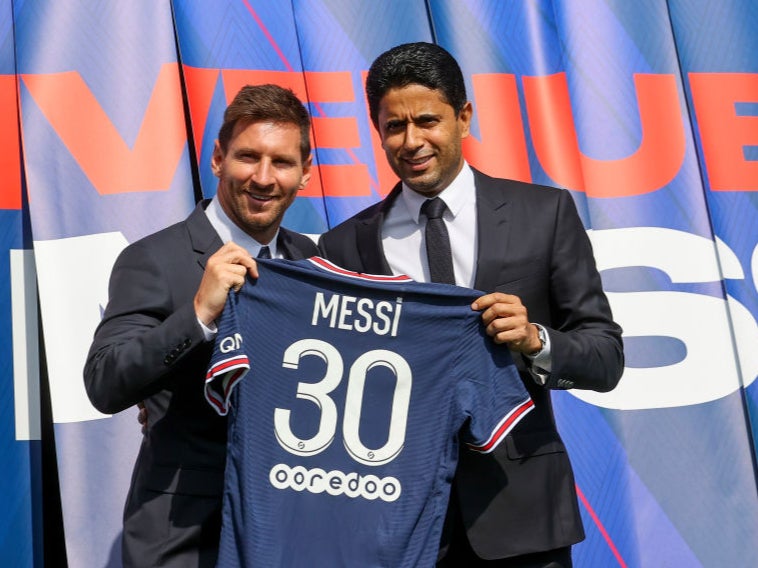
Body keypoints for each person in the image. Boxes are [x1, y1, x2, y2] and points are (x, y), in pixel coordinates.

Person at [318, 42, 624, 567]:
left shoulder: (543, 213)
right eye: (394, 127)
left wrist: (536, 341)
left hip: (522, 517)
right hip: (398, 527)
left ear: (464, 117)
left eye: (428, 121)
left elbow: (605, 358)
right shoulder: (343, 247)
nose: (411, 142)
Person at [83, 84, 319, 568]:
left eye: (282, 162)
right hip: (183, 537)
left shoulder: (314, 263)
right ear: (217, 158)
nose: (262, 177)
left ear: (306, 173)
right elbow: (104, 383)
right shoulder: (152, 258)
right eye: (247, 157)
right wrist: (198, 314)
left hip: (287, 530)